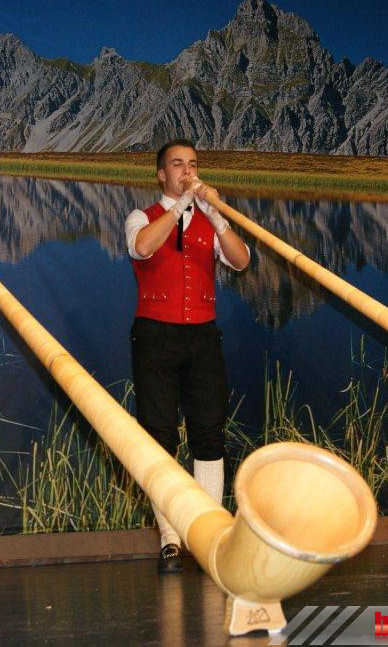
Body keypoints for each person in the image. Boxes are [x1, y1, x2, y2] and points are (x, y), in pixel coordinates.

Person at [125, 139, 250, 572]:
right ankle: (170, 538)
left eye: (193, 164)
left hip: (202, 337)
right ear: (162, 174)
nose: (187, 172)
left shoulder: (209, 221)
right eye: (178, 165)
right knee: (159, 437)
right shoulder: (142, 216)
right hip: (155, 336)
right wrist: (180, 206)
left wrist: (216, 215)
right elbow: (142, 247)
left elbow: (241, 261)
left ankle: (208, 535)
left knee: (208, 434)